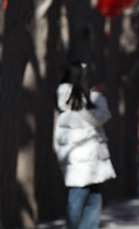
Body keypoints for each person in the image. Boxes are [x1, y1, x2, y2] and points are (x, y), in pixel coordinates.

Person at [56, 64, 117, 229]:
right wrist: (97, 96)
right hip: (82, 161)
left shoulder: (75, 100)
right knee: (79, 199)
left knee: (93, 199)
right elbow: (99, 118)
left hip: (88, 161)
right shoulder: (75, 100)